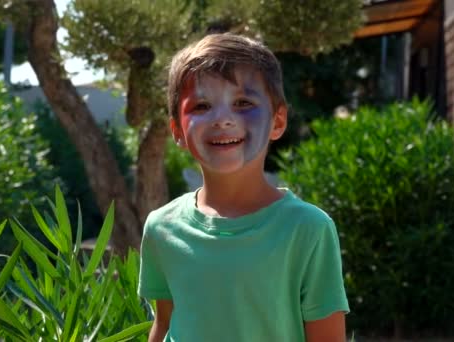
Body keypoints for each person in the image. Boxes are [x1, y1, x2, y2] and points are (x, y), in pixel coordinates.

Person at [138, 33, 349, 342]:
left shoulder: (308, 230)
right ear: (177, 131)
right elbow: (166, 323)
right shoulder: (160, 228)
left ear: (278, 121)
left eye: (243, 102)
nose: (222, 119)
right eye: (201, 105)